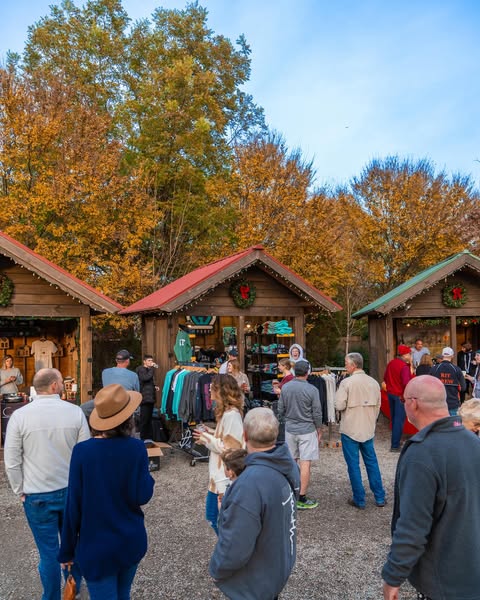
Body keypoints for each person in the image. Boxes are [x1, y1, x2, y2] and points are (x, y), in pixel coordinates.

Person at [382, 375, 480, 600]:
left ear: (413, 403)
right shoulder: (473, 442)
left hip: (444, 581)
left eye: (404, 400)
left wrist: (393, 577)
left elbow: (413, 526)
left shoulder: (422, 454)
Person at [58, 384, 154, 600]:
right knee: (123, 594)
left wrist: (67, 549)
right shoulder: (136, 448)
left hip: (96, 546)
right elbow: (143, 495)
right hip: (130, 540)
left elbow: (73, 504)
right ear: (128, 417)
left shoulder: (82, 452)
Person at [4, 368, 90, 600]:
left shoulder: (20, 416)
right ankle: (73, 590)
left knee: (48, 553)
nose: (62, 384)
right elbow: (86, 455)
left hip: (37, 493)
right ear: (54, 386)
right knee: (72, 546)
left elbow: (11, 460)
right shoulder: (74, 412)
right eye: (61, 381)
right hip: (72, 491)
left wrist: (19, 489)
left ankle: (52, 596)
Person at [209, 407, 300, 600]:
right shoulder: (287, 464)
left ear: (245, 435)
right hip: (276, 564)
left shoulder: (249, 484)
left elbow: (236, 544)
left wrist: (217, 568)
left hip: (255, 583)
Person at [193, 374, 245, 534]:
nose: (208, 389)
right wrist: (211, 432)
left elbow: (231, 449)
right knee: (214, 518)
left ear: (221, 391)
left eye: (212, 387)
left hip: (224, 477)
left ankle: (229, 554)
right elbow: (226, 438)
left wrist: (205, 438)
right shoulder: (228, 413)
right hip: (218, 476)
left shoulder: (232, 415)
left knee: (217, 520)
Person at [335, 352, 386, 509]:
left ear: (353, 365)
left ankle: (360, 499)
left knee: (353, 465)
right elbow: (378, 406)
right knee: (372, 462)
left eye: (346, 363)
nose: (345, 366)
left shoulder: (347, 383)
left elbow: (339, 405)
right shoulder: (374, 382)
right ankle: (379, 497)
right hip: (368, 427)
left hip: (350, 428)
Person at [277, 359, 322, 509]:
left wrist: (285, 420)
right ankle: (301, 496)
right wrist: (319, 429)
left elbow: (280, 409)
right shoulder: (312, 390)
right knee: (305, 463)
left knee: (291, 461)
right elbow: (317, 413)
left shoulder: (286, 388)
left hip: (290, 428)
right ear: (308, 373)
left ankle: (289, 492)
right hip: (307, 429)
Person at [383, 345, 414, 452]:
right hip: (400, 396)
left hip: (391, 394)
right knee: (398, 420)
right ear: (405, 355)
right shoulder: (404, 366)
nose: (410, 356)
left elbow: (385, 378)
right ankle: (395, 445)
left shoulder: (391, 363)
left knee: (394, 419)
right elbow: (406, 383)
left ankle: (396, 442)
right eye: (409, 354)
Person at [430, 346, 466, 415]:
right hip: (453, 403)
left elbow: (428, 386)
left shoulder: (434, 369)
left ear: (442, 356)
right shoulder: (457, 369)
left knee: (440, 425)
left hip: (438, 404)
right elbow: (463, 388)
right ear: (452, 356)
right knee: (455, 425)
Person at [136, 354, 159, 440]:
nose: (151, 362)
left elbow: (148, 382)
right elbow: (145, 378)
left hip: (150, 398)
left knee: (149, 419)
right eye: (149, 361)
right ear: (144, 361)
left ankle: (149, 437)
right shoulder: (141, 369)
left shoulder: (149, 370)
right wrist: (152, 369)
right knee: (144, 419)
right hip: (145, 398)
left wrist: (154, 386)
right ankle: (142, 437)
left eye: (151, 361)